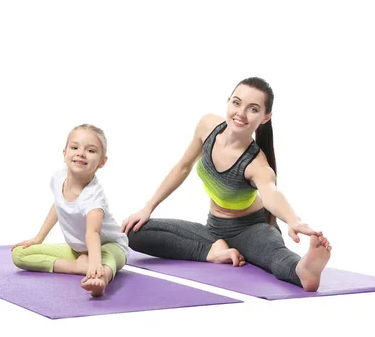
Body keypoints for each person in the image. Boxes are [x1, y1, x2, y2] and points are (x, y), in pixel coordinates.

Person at [121, 77, 331, 291]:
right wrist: (147, 208)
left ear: (266, 117)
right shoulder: (207, 126)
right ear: (228, 101)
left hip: (252, 229)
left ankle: (304, 270)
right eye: (237, 103)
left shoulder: (256, 164)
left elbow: (270, 193)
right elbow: (182, 167)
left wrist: (293, 220)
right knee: (132, 231)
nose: (240, 113)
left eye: (253, 109)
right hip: (213, 229)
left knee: (273, 254)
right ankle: (214, 251)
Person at [12, 124, 129, 297]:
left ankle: (100, 280)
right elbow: (58, 206)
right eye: (75, 147)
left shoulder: (94, 197)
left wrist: (95, 266)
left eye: (90, 150)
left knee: (108, 261)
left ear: (102, 161)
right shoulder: (58, 177)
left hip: (108, 246)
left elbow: (93, 232)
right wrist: (38, 238)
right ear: (64, 153)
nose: (81, 153)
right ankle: (77, 267)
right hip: (77, 250)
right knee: (19, 255)